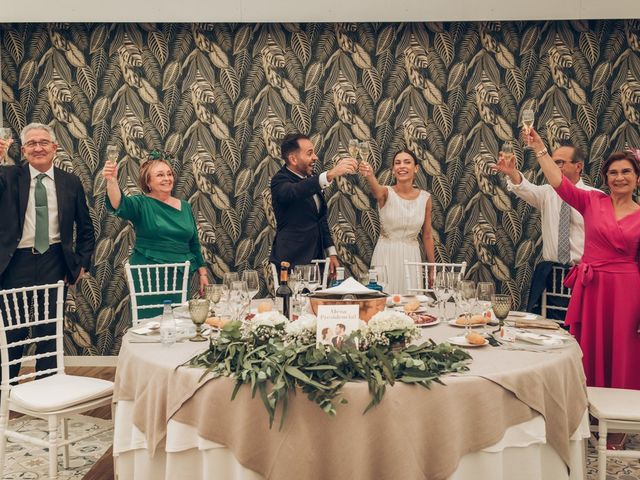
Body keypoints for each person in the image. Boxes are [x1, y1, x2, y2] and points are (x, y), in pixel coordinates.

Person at [526, 128, 640, 393]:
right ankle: (586, 407)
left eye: (626, 172)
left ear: (637, 178)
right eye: (613, 173)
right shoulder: (592, 201)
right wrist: (540, 148)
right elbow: (558, 182)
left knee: (624, 349)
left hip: (627, 292)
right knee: (588, 348)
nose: (619, 178)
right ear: (605, 178)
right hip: (592, 289)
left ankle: (618, 423)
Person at [0, 123, 95, 381]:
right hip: (14, 264)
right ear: (23, 150)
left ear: (54, 147)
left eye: (43, 142)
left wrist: (82, 264)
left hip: (55, 261)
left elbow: (86, 229)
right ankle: (8, 392)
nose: (38, 147)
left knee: (49, 331)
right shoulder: (8, 177)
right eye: (31, 143)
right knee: (13, 332)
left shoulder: (70, 182)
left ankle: (47, 389)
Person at [494, 143, 600, 316]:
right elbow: (524, 188)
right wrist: (512, 173)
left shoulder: (596, 197)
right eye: (552, 161)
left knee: (580, 330)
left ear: (578, 166)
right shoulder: (547, 193)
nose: (553, 166)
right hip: (551, 276)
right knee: (548, 329)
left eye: (559, 162)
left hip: (584, 278)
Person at [103, 152, 208, 319]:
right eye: (160, 175)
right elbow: (118, 203)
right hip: (149, 274)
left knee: (178, 322)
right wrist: (111, 180)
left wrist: (202, 273)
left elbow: (193, 242)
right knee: (150, 323)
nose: (167, 178)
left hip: (180, 273)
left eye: (169, 174)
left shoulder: (185, 206)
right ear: (148, 182)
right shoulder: (141, 203)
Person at [270, 134, 357, 276]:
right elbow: (294, 191)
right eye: (310, 153)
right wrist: (330, 174)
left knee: (318, 299)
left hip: (318, 261)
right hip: (292, 261)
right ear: (293, 159)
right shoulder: (279, 181)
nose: (315, 157)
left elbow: (320, 220)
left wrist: (331, 253)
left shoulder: (312, 178)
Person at [359, 149, 435, 294]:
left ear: (416, 168)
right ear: (393, 170)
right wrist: (369, 175)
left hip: (412, 257)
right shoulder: (385, 193)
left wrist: (432, 268)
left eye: (407, 162)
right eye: (397, 163)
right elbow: (376, 190)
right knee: (384, 304)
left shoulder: (425, 198)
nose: (402, 166)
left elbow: (427, 235)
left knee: (411, 306)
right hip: (386, 256)